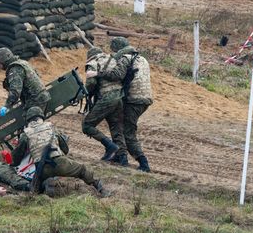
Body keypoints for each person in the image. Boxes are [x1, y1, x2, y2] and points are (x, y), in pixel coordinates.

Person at [11, 107, 109, 197]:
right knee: (83, 170)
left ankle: (47, 188)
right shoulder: (51, 128)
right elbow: (65, 148)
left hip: (41, 169)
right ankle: (101, 189)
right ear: (41, 117)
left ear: (28, 119)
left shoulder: (26, 134)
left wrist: (13, 163)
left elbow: (17, 157)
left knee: (37, 188)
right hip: (59, 162)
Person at [95, 37, 153, 173]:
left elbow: (117, 75)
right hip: (144, 99)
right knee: (120, 126)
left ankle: (143, 163)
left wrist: (99, 73)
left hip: (134, 100)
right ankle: (119, 155)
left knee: (127, 132)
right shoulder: (141, 58)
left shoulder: (125, 58)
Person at [82, 47, 127, 163]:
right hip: (119, 96)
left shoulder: (92, 63)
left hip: (107, 97)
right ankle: (123, 159)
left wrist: (86, 93)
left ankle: (110, 146)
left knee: (87, 125)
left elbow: (91, 83)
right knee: (116, 127)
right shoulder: (113, 59)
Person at [0, 47, 51, 117]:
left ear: (4, 60)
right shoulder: (23, 63)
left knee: (32, 123)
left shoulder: (15, 69)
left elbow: (15, 91)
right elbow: (37, 76)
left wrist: (7, 106)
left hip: (35, 100)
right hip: (41, 97)